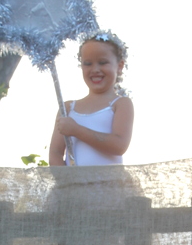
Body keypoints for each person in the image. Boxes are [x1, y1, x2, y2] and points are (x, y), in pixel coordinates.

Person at [49, 30, 134, 166]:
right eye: (88, 63)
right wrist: (66, 178)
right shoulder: (67, 109)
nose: (95, 69)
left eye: (103, 62)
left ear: (119, 66)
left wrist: (77, 130)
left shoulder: (121, 104)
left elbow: (119, 145)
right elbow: (55, 152)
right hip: (75, 180)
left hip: (109, 180)